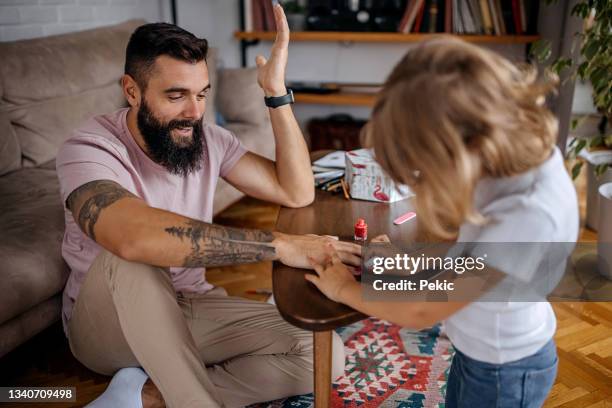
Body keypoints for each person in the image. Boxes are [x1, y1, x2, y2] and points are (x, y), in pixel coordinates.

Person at [56, 5, 360, 408]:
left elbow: (298, 192)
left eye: (201, 95)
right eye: (176, 96)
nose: (194, 112)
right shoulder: (88, 148)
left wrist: (275, 93)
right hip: (107, 326)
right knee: (133, 253)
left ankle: (142, 396)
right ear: (131, 90)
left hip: (189, 304)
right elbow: (130, 237)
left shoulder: (207, 138)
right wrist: (281, 245)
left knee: (322, 353)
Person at [306, 37, 578, 408]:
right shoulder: (510, 155)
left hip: (503, 371)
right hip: (481, 350)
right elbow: (468, 256)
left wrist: (342, 290)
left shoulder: (528, 216)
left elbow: (421, 311)